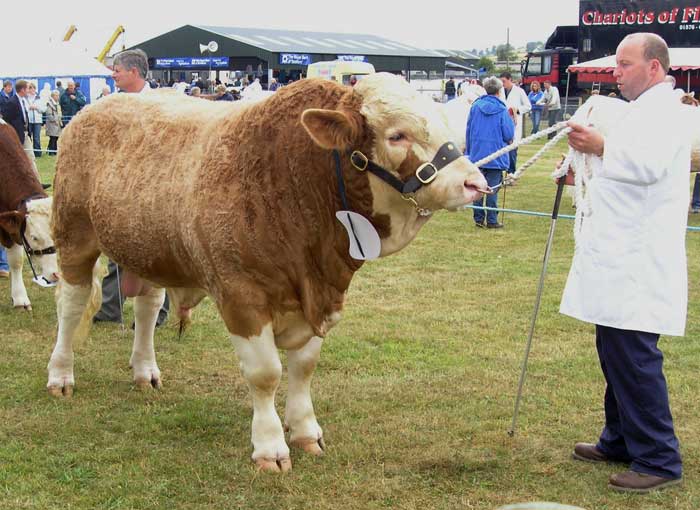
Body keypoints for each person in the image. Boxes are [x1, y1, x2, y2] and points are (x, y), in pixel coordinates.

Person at [561, 32, 688, 494]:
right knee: (614, 350)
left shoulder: (669, 113)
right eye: (617, 64)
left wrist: (599, 146)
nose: (616, 72)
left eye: (625, 64)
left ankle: (657, 456)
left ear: (654, 67)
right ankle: (618, 439)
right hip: (618, 253)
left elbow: (648, 165)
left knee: (633, 357)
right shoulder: (641, 111)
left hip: (638, 258)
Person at [94, 49, 169, 327]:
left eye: (117, 69)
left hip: (154, 187)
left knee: (158, 252)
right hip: (118, 185)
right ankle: (110, 308)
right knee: (115, 245)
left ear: (134, 72)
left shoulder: (162, 103)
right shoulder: (109, 103)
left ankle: (158, 312)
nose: (113, 74)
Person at [465, 76, 514, 229]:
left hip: (477, 154)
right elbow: (508, 134)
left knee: (477, 188)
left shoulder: (475, 107)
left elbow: (469, 130)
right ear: (499, 91)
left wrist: (470, 151)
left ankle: (478, 219)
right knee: (493, 188)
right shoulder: (502, 109)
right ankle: (492, 220)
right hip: (496, 155)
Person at [499, 72, 530, 174]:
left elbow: (528, 106)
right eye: (501, 81)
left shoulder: (519, 91)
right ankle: (502, 171)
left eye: (504, 81)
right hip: (502, 122)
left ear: (510, 80)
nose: (502, 84)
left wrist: (516, 110)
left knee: (512, 149)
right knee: (502, 149)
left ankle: (511, 172)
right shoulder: (500, 91)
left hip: (514, 122)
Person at [25, 82, 45, 158]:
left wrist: (36, 108)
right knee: (28, 137)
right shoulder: (25, 98)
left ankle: (38, 153)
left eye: (33, 88)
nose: (32, 90)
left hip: (37, 120)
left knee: (36, 138)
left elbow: (43, 109)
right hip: (28, 120)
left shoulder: (39, 98)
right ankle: (29, 153)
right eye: (30, 88)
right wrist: (29, 108)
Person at [45, 90, 62, 155]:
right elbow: (49, 114)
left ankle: (54, 151)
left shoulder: (57, 104)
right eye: (56, 95)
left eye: (58, 95)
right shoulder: (50, 104)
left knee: (56, 138)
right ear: (53, 96)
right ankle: (51, 151)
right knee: (53, 138)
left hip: (57, 123)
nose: (58, 97)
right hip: (52, 124)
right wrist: (55, 119)